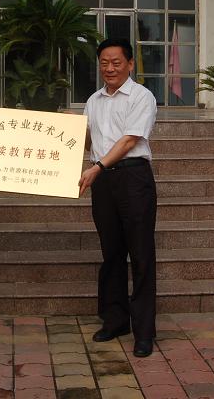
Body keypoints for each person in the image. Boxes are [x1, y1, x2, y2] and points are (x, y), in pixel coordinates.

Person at [79, 38, 158, 358]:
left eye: (116, 62)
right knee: (111, 253)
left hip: (133, 178)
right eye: (104, 63)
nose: (109, 68)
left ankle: (144, 332)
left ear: (130, 64)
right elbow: (88, 140)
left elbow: (129, 141)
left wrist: (97, 167)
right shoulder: (93, 100)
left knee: (140, 254)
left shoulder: (141, 96)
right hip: (103, 182)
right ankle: (115, 320)